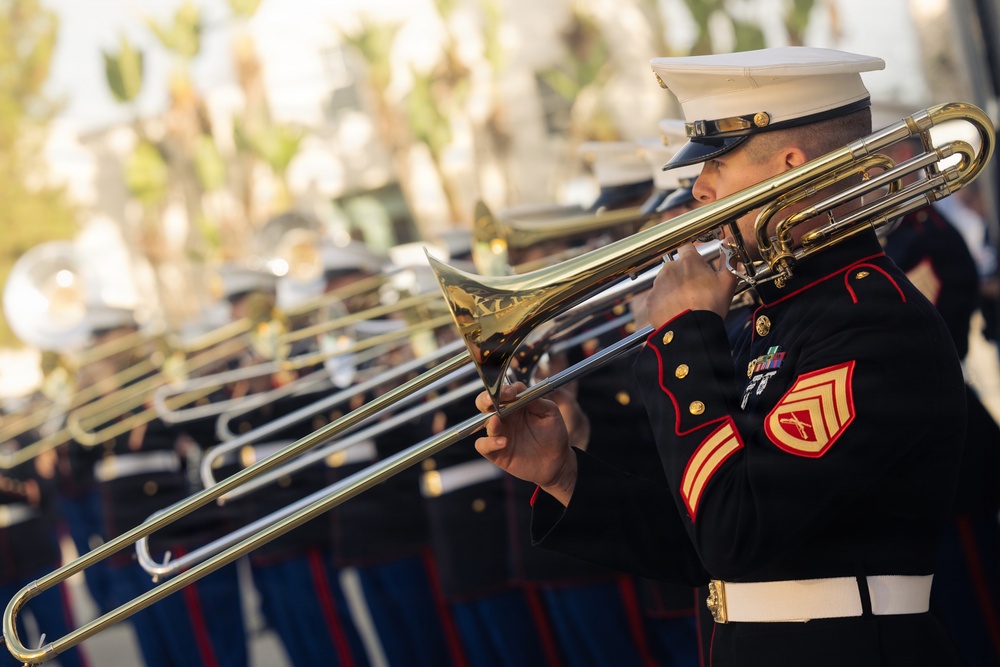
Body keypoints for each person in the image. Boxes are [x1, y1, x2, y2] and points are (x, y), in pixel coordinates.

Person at [473, 46, 969, 666]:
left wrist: (682, 337)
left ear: (793, 167)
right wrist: (564, 473)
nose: (699, 189)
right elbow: (703, 547)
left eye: (717, 163)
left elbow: (737, 530)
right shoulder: (775, 314)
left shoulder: (872, 319)